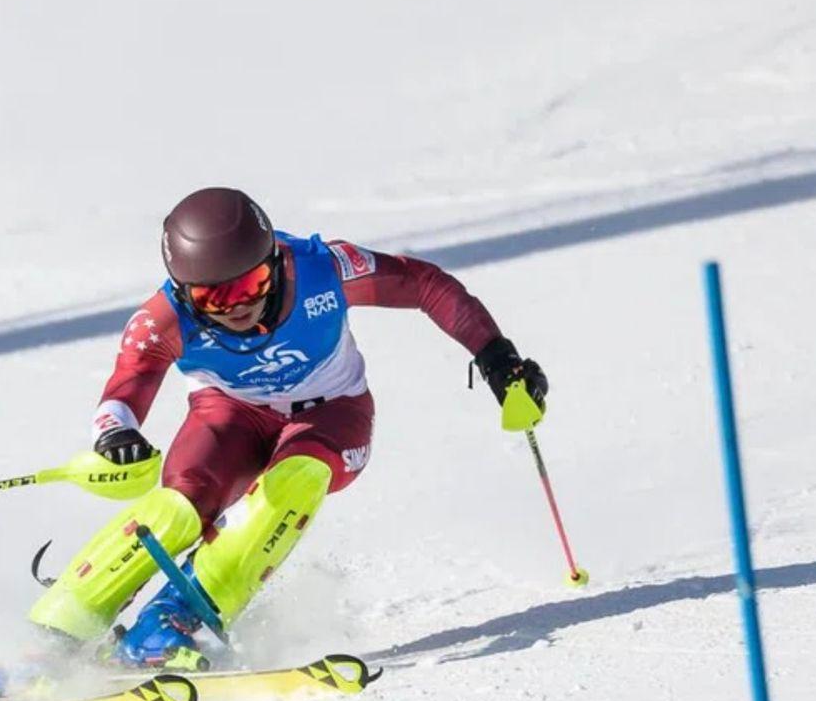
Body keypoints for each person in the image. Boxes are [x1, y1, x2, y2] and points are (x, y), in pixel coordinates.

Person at [28, 187, 547, 670]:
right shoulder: (161, 320)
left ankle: (171, 621)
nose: (238, 306)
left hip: (332, 412)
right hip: (230, 414)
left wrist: (497, 357)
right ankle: (59, 628)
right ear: (184, 293)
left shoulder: (323, 269)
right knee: (179, 503)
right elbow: (126, 387)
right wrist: (116, 435)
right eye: (213, 299)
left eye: (250, 285)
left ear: (275, 260)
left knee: (292, 483)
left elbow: (425, 284)